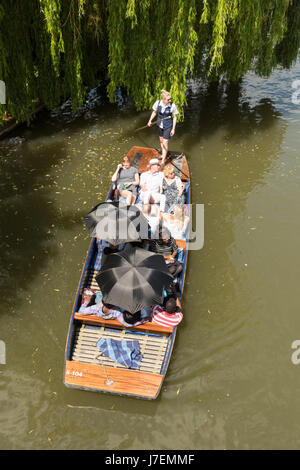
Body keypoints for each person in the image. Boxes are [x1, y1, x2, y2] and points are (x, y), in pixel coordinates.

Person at [147, 90, 179, 165]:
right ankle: (163, 154)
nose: (170, 100)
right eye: (168, 99)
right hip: (159, 125)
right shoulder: (158, 103)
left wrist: (173, 129)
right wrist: (150, 121)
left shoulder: (172, 105)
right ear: (163, 99)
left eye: (170, 99)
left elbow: (174, 117)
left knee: (165, 142)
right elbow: (154, 112)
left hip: (168, 126)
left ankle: (163, 161)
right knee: (161, 141)